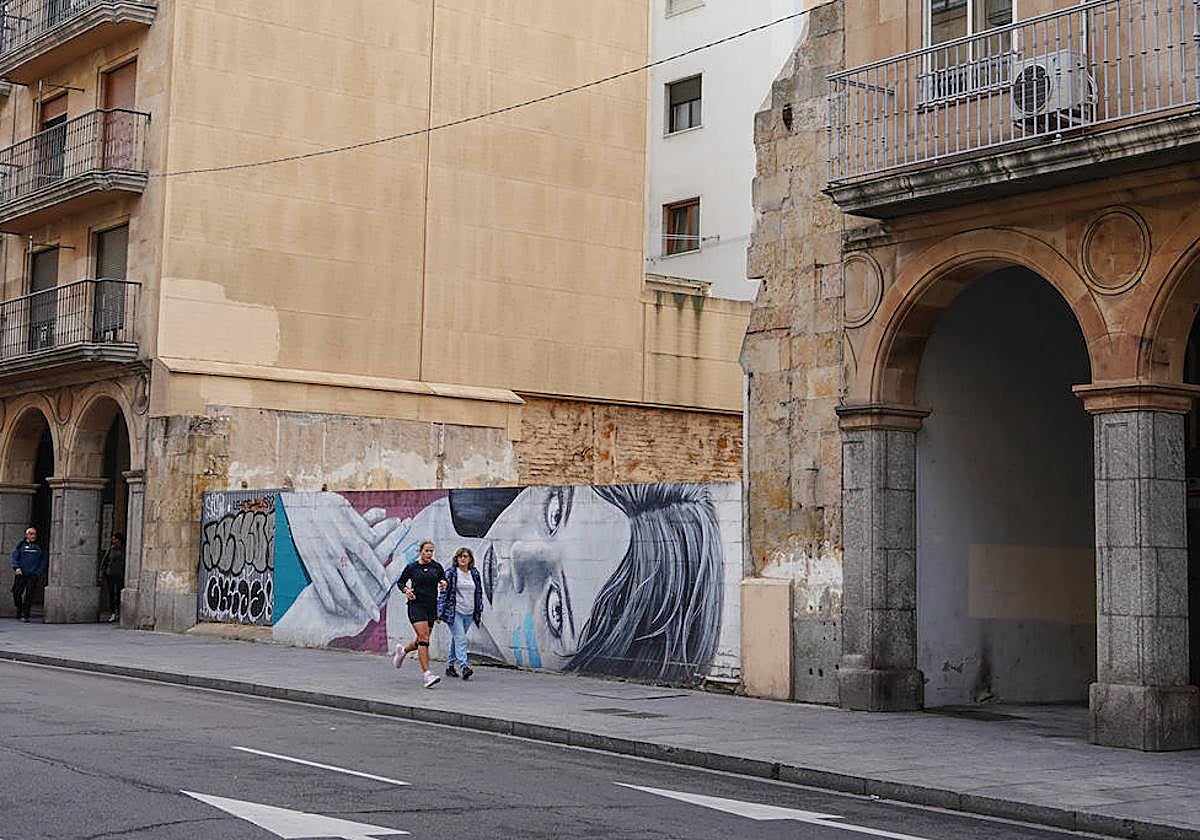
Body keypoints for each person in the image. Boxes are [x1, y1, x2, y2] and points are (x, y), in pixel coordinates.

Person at [391, 540, 447, 688]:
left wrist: (443, 583)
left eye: (431, 551)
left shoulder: (437, 567)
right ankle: (427, 675)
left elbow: (443, 579)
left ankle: (403, 651)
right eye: (426, 550)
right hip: (416, 605)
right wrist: (406, 591)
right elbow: (400, 582)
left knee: (423, 639)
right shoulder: (412, 567)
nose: (429, 553)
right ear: (420, 551)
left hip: (431, 606)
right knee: (424, 638)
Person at [438, 546, 483, 679]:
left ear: (470, 559)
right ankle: (464, 666)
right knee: (461, 639)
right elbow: (444, 593)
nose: (463, 559)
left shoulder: (474, 573)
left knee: (457, 639)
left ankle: (450, 666)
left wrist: (478, 609)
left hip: (469, 612)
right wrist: (440, 612)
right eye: (460, 556)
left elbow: (479, 593)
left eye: (465, 557)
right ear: (456, 559)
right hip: (455, 612)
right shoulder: (451, 573)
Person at [11, 527, 46, 623]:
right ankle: (19, 608)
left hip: (33, 575)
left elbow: (43, 560)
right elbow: (14, 557)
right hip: (21, 573)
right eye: (30, 534)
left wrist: (39, 572)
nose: (33, 536)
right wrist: (16, 567)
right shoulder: (21, 546)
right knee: (16, 592)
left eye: (34, 534)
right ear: (26, 535)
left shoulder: (39, 547)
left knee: (29, 595)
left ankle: (25, 614)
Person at [99, 533, 125, 623]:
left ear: (119, 540)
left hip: (120, 575)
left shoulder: (123, 550)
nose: (113, 541)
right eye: (112, 539)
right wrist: (101, 573)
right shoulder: (110, 549)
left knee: (118, 593)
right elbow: (105, 561)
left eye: (114, 539)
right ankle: (113, 612)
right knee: (111, 593)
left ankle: (118, 611)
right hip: (110, 574)